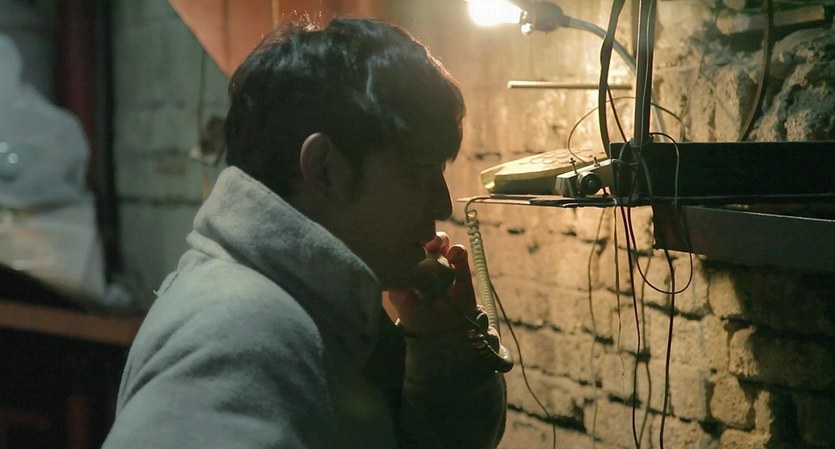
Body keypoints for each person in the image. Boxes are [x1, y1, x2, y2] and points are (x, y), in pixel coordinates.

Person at [102, 16, 507, 449]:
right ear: (323, 169)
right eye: (418, 171)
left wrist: (441, 345)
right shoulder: (241, 336)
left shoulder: (317, 307)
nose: (442, 205)